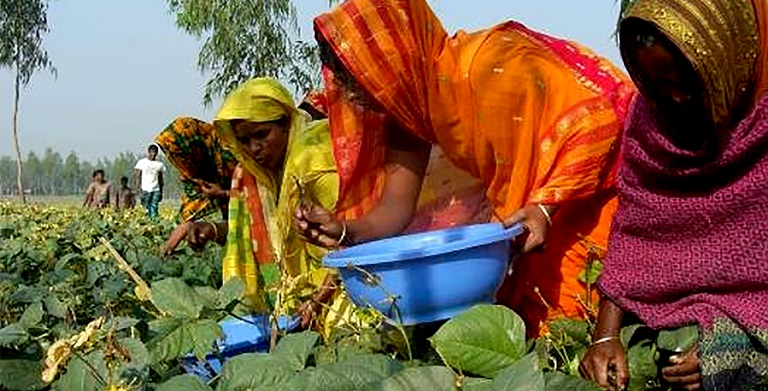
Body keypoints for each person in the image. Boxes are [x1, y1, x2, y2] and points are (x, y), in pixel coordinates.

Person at [295, 0, 636, 337]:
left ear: (392, 60)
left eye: (360, 82)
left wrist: (546, 208)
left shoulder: (492, 65)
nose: (356, 100)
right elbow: (394, 210)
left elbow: (600, 121)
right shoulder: (408, 114)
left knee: (574, 332)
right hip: (536, 218)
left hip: (604, 192)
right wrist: (343, 230)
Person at [579, 0, 768, 389]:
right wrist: (605, 336)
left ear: (726, 58)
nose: (675, 100)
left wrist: (742, 356)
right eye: (657, 86)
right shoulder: (651, 121)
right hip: (670, 334)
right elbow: (635, 229)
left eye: (685, 82)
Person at [154, 117, 238, 255]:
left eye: (182, 155)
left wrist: (224, 193)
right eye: (174, 156)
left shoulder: (231, 152)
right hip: (235, 219)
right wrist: (185, 227)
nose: (182, 161)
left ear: (194, 144)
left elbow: (259, 195)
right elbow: (190, 205)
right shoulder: (191, 169)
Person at [134, 145, 166, 219]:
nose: (153, 154)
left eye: (155, 152)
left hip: (156, 189)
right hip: (145, 189)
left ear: (157, 153)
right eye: (152, 152)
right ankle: (147, 224)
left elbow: (160, 179)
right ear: (148, 152)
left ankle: (154, 224)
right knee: (145, 208)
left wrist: (161, 191)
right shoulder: (142, 162)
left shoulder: (159, 164)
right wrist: (137, 188)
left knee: (154, 208)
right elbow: (137, 176)